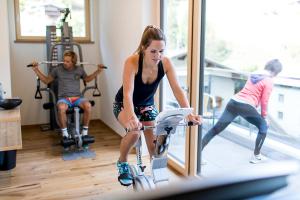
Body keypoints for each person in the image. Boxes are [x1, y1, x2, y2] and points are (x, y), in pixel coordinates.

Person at [113, 25, 202, 186]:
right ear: (143, 48)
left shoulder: (166, 63)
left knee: (155, 145)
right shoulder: (132, 61)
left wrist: (189, 113)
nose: (158, 55)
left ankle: (157, 174)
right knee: (134, 133)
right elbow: (127, 93)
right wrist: (132, 117)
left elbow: (178, 90)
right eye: (153, 51)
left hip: (147, 105)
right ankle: (122, 162)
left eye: (161, 51)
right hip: (124, 103)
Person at [201, 59, 283, 164]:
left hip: (234, 102)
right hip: (245, 106)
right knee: (263, 126)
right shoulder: (269, 81)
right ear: (276, 72)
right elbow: (264, 101)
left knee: (216, 129)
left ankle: (196, 154)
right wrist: (264, 117)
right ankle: (257, 155)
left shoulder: (255, 74)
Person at [31, 50, 104, 144]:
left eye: (68, 61)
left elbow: (87, 79)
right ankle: (65, 135)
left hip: (78, 98)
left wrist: (98, 71)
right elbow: (46, 81)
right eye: (64, 60)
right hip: (64, 98)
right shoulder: (57, 69)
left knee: (88, 106)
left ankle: (85, 133)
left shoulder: (79, 70)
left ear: (73, 62)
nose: (65, 63)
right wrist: (36, 70)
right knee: (61, 108)